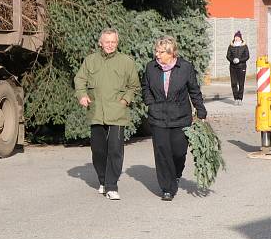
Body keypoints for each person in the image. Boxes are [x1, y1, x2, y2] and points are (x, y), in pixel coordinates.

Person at [74, 28, 140, 201]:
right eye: (107, 42)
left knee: (115, 150)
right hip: (96, 112)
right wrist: (82, 95)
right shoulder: (90, 61)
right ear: (100, 43)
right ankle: (103, 180)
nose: (110, 45)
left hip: (117, 112)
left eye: (113, 42)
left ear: (117, 43)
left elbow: (134, 85)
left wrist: (125, 101)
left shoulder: (126, 62)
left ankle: (112, 186)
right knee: (98, 150)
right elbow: (79, 79)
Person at [141, 35, 207, 201]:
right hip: (158, 117)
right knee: (162, 151)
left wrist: (201, 110)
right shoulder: (151, 68)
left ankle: (176, 174)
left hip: (181, 117)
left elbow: (194, 90)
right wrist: (150, 103)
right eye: (156, 51)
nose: (157, 54)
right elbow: (145, 87)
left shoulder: (185, 67)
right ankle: (167, 188)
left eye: (161, 52)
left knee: (178, 151)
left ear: (171, 53)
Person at [226, 30, 250, 105]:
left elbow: (247, 56)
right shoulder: (231, 45)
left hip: (241, 67)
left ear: (240, 38)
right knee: (233, 83)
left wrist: (239, 60)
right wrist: (232, 60)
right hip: (233, 67)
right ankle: (235, 98)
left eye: (238, 37)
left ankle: (240, 99)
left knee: (241, 83)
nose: (237, 38)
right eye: (236, 37)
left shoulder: (244, 46)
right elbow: (228, 56)